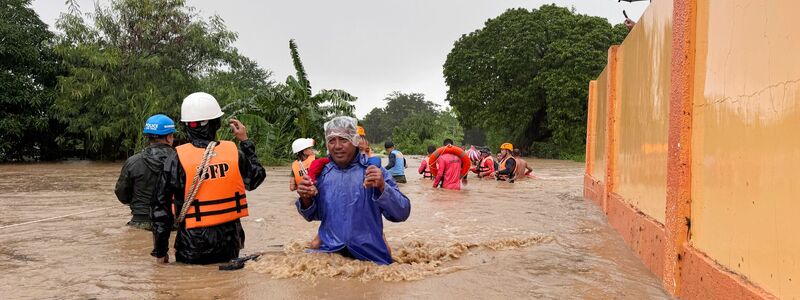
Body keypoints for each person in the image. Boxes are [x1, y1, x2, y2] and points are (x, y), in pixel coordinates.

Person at [150, 92, 266, 264]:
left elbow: (161, 210)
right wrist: (245, 142)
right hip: (230, 245)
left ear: (187, 126)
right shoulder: (234, 152)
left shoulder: (176, 159)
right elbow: (256, 178)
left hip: (192, 246)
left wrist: (161, 252)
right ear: (217, 124)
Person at [295, 116, 410, 265]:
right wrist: (305, 199)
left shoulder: (374, 172)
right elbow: (312, 216)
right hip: (329, 254)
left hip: (370, 256)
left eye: (343, 140)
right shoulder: (322, 174)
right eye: (331, 141)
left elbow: (402, 212)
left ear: (355, 141)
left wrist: (383, 187)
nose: (337, 146)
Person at [114, 114, 176, 230]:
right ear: (169, 137)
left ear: (148, 137)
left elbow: (121, 193)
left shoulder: (133, 162)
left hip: (140, 221)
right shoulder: (181, 160)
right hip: (171, 222)